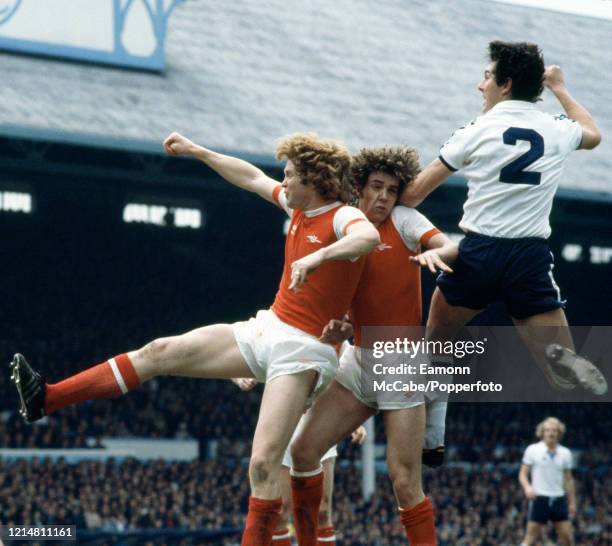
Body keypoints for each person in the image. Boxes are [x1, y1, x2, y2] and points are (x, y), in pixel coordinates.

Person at [9, 131, 381, 546]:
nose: (284, 180)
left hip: (304, 350)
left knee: (262, 467)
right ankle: (47, 397)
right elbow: (250, 177)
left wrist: (319, 255)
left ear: (313, 180)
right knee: (159, 351)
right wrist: (198, 151)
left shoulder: (342, 216)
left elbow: (367, 237)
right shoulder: (296, 206)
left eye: (291, 174)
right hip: (268, 327)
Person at [400, 40, 606, 397]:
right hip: (529, 258)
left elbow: (414, 194)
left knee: (434, 344)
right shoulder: (556, 129)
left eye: (486, 77)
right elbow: (593, 134)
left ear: (505, 84)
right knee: (560, 378)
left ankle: (431, 435)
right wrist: (559, 87)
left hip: (478, 253)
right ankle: (565, 358)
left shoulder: (475, 130)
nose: (481, 85)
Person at [288, 146, 458, 546]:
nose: (384, 196)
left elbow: (452, 247)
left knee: (404, 482)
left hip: (400, 362)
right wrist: (341, 325)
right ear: (358, 188)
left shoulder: (404, 219)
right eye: (376, 187)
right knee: (302, 453)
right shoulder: (344, 224)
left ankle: (436, 392)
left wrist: (437, 255)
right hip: (357, 361)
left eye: (392, 189)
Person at [232, 376, 367, 546]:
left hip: (320, 420)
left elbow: (341, 372)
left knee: (323, 511)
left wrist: (349, 419)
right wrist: (237, 377)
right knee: (282, 512)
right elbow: (236, 353)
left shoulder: (330, 349)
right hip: (282, 420)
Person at [518, 417, 576, 546]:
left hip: (559, 499)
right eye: (548, 430)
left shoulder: (565, 453)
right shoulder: (533, 450)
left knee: (567, 540)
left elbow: (569, 479)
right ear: (542, 432)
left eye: (554, 430)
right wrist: (527, 487)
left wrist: (572, 502)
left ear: (559, 433)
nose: (551, 433)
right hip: (540, 498)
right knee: (530, 539)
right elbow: (522, 473)